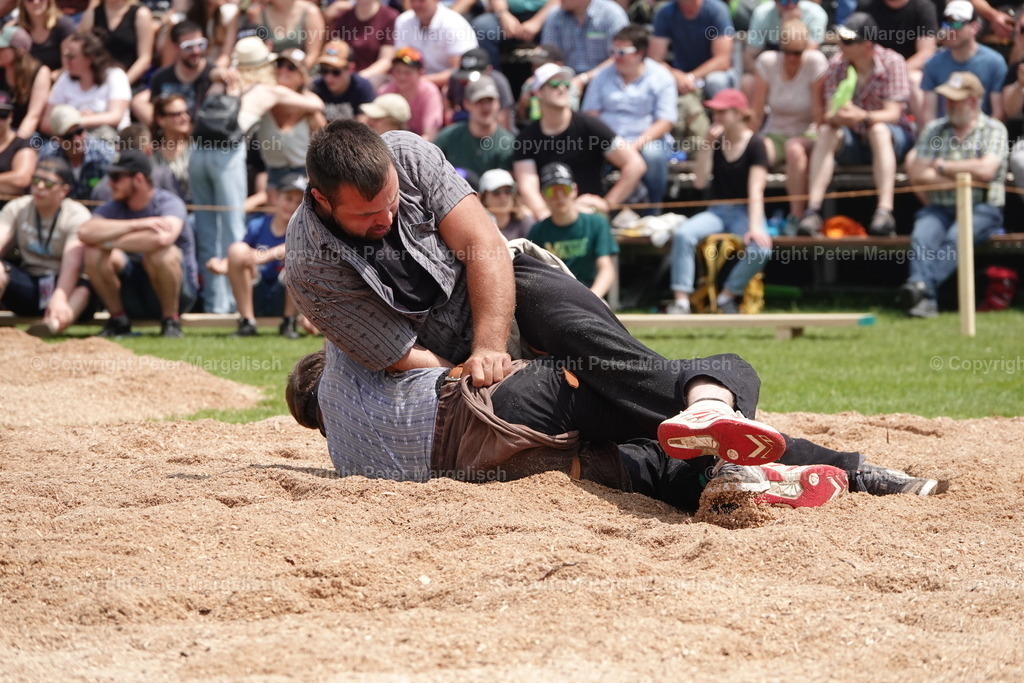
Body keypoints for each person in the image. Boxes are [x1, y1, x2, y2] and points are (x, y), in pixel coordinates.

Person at [285, 120, 869, 486]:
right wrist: (480, 370)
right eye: (367, 215)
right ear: (321, 200)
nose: (385, 219)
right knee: (625, 392)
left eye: (390, 203)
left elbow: (485, 247)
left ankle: (714, 428)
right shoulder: (311, 265)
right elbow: (400, 354)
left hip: (499, 298)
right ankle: (733, 418)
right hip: (458, 373)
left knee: (605, 369)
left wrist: (493, 344)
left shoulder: (409, 154)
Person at [286, 345, 944, 509]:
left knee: (643, 469)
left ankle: (742, 481)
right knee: (692, 377)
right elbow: (441, 363)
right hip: (514, 404)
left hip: (510, 473)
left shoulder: (345, 456)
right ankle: (859, 471)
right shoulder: (353, 367)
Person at [188, 36, 323, 315]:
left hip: (197, 152)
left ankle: (216, 304)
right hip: (226, 153)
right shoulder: (267, 90)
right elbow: (316, 104)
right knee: (232, 223)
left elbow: (207, 75)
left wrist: (220, 72)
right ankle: (230, 306)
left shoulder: (221, 82)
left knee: (206, 224)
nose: (280, 71)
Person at [899, 72, 1006, 319]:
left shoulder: (993, 129)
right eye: (947, 99)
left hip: (982, 208)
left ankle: (920, 289)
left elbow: (986, 170)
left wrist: (941, 167)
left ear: (974, 100)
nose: (949, 105)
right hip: (939, 207)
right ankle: (925, 301)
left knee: (956, 238)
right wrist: (965, 174)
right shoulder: (935, 129)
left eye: (956, 100)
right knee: (922, 237)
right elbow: (917, 171)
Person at [797, 13, 913, 238]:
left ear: (867, 44)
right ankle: (812, 211)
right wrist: (840, 116)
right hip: (852, 140)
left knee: (877, 130)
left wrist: (863, 116)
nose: (841, 45)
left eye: (848, 41)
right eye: (840, 39)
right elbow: (829, 113)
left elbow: (893, 114)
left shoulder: (892, 62)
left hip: (891, 138)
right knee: (827, 131)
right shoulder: (837, 65)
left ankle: (884, 212)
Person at [666, 89, 772, 315]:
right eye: (714, 112)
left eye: (722, 112)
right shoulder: (714, 143)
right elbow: (700, 182)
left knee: (761, 249)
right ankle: (682, 301)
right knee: (684, 235)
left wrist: (754, 226)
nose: (716, 117)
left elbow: (756, 189)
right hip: (718, 210)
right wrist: (706, 145)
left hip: (745, 210)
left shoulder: (756, 144)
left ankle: (727, 296)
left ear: (739, 113)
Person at [78, 150, 198, 338]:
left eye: (117, 177)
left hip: (179, 293)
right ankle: (119, 321)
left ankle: (171, 322)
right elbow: (84, 232)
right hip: (135, 290)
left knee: (161, 253)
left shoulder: (169, 202)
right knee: (93, 251)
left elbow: (161, 239)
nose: (110, 183)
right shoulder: (114, 206)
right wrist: (138, 224)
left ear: (139, 179)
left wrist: (107, 241)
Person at [513, 62, 645, 220]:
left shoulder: (589, 126)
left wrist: (608, 204)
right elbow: (528, 186)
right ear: (538, 92)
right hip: (550, 217)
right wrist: (547, 217)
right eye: (554, 84)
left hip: (589, 215)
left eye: (566, 83)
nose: (561, 88)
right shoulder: (526, 138)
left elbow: (635, 164)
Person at [581, 24, 677, 211]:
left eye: (622, 52)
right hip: (608, 140)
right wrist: (613, 144)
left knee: (653, 155)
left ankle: (653, 210)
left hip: (647, 140)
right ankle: (596, 211)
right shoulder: (602, 76)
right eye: (613, 51)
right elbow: (590, 114)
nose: (616, 57)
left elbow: (666, 120)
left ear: (640, 53)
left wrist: (632, 146)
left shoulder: (661, 77)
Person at [0, 157, 92, 337]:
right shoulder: (17, 208)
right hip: (30, 284)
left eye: (48, 183)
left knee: (84, 288)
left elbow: (72, 265)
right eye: (35, 180)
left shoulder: (77, 215)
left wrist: (60, 296)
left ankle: (52, 327)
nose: (40, 187)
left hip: (65, 284)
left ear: (64, 190)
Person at [209, 172, 307, 339]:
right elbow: (240, 256)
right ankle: (247, 322)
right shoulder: (258, 225)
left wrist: (267, 254)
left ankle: (288, 322)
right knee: (236, 249)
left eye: (298, 202)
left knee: (298, 253)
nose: (291, 206)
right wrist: (221, 265)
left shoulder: (304, 230)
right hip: (256, 292)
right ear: (276, 198)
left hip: (286, 294)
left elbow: (304, 250)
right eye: (288, 199)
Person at [749, 19, 827, 223]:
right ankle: (751, 216)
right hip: (775, 132)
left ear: (806, 48)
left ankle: (796, 216)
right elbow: (757, 111)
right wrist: (748, 141)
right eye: (788, 52)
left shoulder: (815, 62)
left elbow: (819, 108)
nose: (793, 58)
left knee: (794, 149)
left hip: (807, 133)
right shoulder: (767, 62)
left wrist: (822, 143)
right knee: (755, 153)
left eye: (798, 52)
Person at [527, 162, 618, 300]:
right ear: (543, 196)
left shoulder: (597, 223)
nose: (559, 196)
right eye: (551, 191)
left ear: (574, 190)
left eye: (564, 189)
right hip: (552, 298)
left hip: (591, 294)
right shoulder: (537, 231)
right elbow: (532, 274)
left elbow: (606, 268)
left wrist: (592, 297)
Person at [919, 1, 1006, 128]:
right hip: (943, 136)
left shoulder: (994, 62)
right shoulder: (932, 64)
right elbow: (928, 114)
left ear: (974, 27)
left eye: (957, 23)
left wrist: (981, 137)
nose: (951, 29)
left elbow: (998, 113)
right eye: (947, 23)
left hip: (981, 136)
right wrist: (936, 140)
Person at [256, 47, 325, 194]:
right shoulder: (263, 99)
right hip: (271, 176)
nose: (283, 70)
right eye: (279, 65)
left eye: (291, 67)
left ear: (302, 77)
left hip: (304, 177)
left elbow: (326, 148)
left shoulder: (311, 110)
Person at [859, 0, 938, 118]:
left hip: (907, 71)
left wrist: (895, 73)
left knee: (915, 80)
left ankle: (925, 134)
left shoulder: (922, 7)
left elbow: (926, 52)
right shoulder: (866, 6)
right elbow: (857, 46)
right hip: (871, 70)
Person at [44, 32, 131, 135]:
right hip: (71, 140)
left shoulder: (115, 76)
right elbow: (46, 123)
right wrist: (75, 122)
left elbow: (115, 117)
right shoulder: (65, 79)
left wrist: (76, 121)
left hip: (111, 139)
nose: (66, 61)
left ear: (89, 58)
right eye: (65, 56)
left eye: (71, 57)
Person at [649, 0, 736, 100]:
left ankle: (720, 114)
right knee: (655, 79)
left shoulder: (717, 10)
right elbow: (655, 60)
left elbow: (723, 60)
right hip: (680, 73)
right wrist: (676, 75)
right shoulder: (664, 13)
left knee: (716, 81)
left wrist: (690, 77)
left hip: (713, 73)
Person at [434, 75, 515, 177]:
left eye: (490, 100)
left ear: (498, 103)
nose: (485, 107)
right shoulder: (448, 137)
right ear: (467, 104)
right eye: (479, 101)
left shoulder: (508, 143)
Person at [539, 0, 628, 89]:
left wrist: (584, 78)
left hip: (606, 81)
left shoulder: (611, 14)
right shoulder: (555, 15)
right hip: (566, 82)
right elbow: (549, 56)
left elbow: (622, 55)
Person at [142, 20, 217, 124]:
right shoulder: (160, 78)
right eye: (188, 47)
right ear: (175, 47)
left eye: (200, 44)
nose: (196, 51)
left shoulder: (214, 76)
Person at [392, 0, 478, 88]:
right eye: (412, 1)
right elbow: (400, 61)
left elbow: (460, 71)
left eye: (421, 1)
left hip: (447, 87)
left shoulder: (454, 24)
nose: (416, 5)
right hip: (413, 85)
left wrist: (421, 81)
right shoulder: (403, 20)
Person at [77, 0, 155, 94]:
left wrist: (121, 84)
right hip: (95, 84)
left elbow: (144, 58)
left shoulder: (141, 14)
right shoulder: (91, 14)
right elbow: (80, 51)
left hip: (128, 83)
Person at [39, 104, 115, 200]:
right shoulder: (48, 156)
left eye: (79, 131)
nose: (76, 139)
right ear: (57, 139)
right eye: (68, 136)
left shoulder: (104, 154)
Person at [742, 0, 827, 78]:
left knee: (817, 59)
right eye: (784, 1)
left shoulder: (816, 14)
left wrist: (793, 24)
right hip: (771, 75)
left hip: (803, 76)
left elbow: (808, 54)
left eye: (794, 0)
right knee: (747, 80)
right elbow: (748, 58)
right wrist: (768, 77)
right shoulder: (762, 13)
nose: (790, 5)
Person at [377, 46, 444, 141]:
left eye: (408, 72)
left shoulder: (430, 93)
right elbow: (374, 126)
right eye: (397, 71)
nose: (401, 77)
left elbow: (430, 135)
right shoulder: (385, 91)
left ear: (420, 73)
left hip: (420, 148)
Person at [444, 47, 516, 131]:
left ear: (488, 70)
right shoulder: (456, 79)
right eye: (465, 76)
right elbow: (449, 102)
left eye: (473, 77)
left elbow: (503, 124)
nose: (468, 81)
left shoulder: (499, 82)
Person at [329, 0, 398, 86]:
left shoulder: (389, 16)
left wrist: (359, 77)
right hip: (343, 77)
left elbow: (386, 60)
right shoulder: (344, 16)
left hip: (374, 79)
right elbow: (334, 51)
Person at [0, 26, 52, 140]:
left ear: (20, 50)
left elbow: (33, 116)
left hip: (29, 135)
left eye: (2, 49)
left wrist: (14, 144)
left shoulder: (40, 73)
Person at [245, 0, 325, 71]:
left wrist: (293, 74)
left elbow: (312, 56)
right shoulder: (258, 13)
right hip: (268, 73)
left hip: (299, 75)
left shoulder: (310, 12)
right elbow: (257, 52)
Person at [311, 40, 376, 122]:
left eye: (336, 72)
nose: (328, 77)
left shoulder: (362, 87)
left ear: (350, 68)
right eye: (324, 71)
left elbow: (365, 124)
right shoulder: (316, 86)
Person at [149, 94, 193, 202]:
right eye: (177, 114)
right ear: (160, 120)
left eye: (186, 112)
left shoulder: (197, 149)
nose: (185, 118)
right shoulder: (150, 152)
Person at [16, 0, 76, 73]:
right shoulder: (16, 30)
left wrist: (46, 79)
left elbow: (69, 66)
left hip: (59, 81)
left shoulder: (64, 25)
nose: (36, 2)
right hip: (28, 82)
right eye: (30, 0)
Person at [478, 168, 534, 240]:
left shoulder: (525, 222)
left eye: (508, 191)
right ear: (483, 197)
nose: (503, 197)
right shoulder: (477, 226)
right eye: (496, 192)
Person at [0, 91, 37, 199]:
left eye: (2, 114)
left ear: (11, 116)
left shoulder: (22, 143)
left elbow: (21, 179)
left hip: (10, 210)